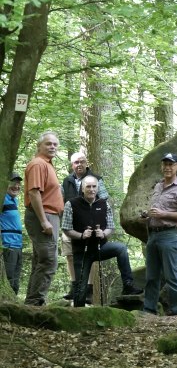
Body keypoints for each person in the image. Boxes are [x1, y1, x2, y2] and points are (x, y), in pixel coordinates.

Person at [61, 175, 142, 307]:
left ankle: (128, 284)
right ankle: (78, 311)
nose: (91, 189)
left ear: (98, 188)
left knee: (120, 248)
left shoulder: (104, 204)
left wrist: (103, 234)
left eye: (94, 187)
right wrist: (81, 235)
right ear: (82, 189)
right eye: (88, 186)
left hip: (100, 248)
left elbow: (111, 227)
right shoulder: (72, 204)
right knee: (80, 294)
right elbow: (66, 229)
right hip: (81, 251)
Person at [143, 153, 177, 316]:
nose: (167, 167)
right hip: (153, 235)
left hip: (170, 235)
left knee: (172, 275)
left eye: (171, 164)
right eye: (165, 164)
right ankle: (149, 310)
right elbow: (156, 211)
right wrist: (148, 214)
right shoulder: (158, 186)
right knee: (151, 275)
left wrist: (163, 214)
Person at [60, 152, 109, 301]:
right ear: (72, 165)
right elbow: (61, 199)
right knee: (70, 255)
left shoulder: (96, 179)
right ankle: (76, 287)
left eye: (82, 161)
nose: (79, 164)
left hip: (91, 223)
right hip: (71, 224)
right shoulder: (67, 181)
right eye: (76, 162)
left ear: (87, 163)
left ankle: (87, 289)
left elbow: (105, 198)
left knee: (90, 254)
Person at [23, 131, 64, 306]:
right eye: (48, 143)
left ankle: (32, 301)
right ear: (39, 146)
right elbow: (33, 193)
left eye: (55, 144)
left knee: (41, 259)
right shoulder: (38, 164)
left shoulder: (47, 165)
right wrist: (43, 221)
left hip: (50, 216)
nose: (52, 146)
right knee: (48, 260)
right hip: (43, 216)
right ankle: (35, 302)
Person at [1, 173, 24, 295]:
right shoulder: (2, 199)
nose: (16, 186)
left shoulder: (14, 200)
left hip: (18, 245)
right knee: (9, 278)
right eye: (13, 182)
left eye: (18, 183)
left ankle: (14, 303)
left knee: (15, 280)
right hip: (8, 244)